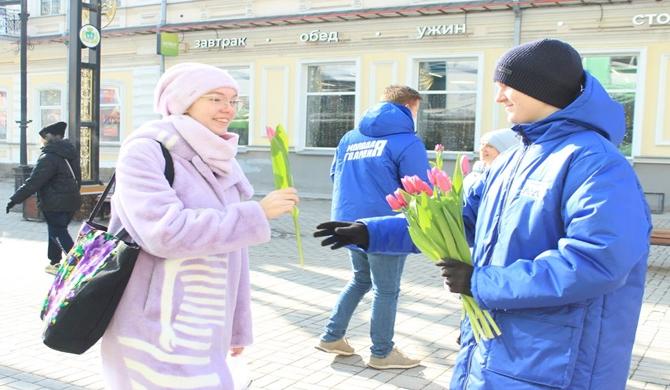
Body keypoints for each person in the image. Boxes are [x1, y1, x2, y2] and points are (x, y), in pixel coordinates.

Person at [315, 38, 651, 389]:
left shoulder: (594, 163)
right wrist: (374, 232)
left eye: (508, 86)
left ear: (543, 88)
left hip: (555, 364)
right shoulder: (514, 158)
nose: (499, 97)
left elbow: (597, 262)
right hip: (495, 349)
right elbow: (463, 219)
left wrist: (480, 282)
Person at [100, 63, 299, 389]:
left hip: (208, 326)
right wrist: (256, 214)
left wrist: (236, 327)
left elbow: (235, 255)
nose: (228, 109)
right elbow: (165, 233)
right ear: (183, 100)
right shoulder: (146, 151)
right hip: (155, 326)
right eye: (215, 98)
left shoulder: (220, 157)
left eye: (234, 100)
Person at [315, 85, 429, 369]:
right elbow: (420, 187)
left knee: (361, 279)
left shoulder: (350, 137)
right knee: (386, 290)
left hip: (349, 222)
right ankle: (382, 353)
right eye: (417, 109)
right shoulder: (407, 140)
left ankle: (332, 337)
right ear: (409, 106)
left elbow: (335, 175)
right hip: (385, 227)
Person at [6, 121, 81, 275]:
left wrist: (15, 199)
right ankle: (54, 262)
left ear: (51, 137)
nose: (43, 140)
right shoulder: (70, 153)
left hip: (54, 203)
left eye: (44, 137)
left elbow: (34, 182)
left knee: (58, 232)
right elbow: (78, 179)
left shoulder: (49, 157)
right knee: (56, 231)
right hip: (71, 201)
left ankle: (78, 264)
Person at [462, 128, 519, 196]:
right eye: (482, 144)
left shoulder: (509, 179)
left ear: (504, 151)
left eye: (489, 146)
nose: (482, 149)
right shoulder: (476, 172)